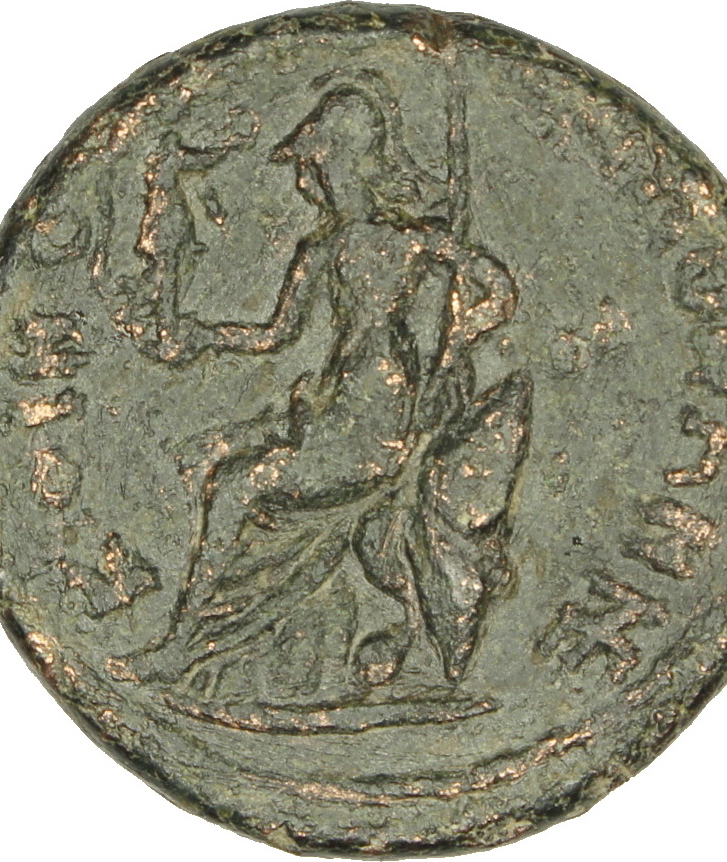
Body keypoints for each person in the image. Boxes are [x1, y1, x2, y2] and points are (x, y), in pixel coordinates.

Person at [113, 74, 529, 701]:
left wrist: (457, 341)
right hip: (335, 408)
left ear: (344, 161)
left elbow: (496, 287)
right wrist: (206, 336)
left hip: (378, 419)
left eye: (314, 164)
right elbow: (277, 335)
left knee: (235, 489)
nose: (308, 180)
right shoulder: (326, 248)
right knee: (230, 474)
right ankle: (222, 643)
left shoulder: (409, 242)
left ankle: (184, 646)